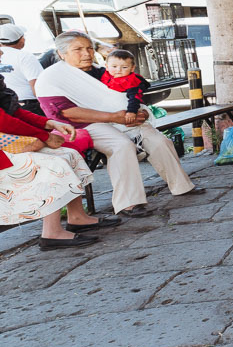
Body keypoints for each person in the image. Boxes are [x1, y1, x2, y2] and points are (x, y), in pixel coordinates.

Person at [35, 31, 199, 216]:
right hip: (82, 126)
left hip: (120, 118)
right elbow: (66, 112)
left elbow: (128, 94)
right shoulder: (51, 77)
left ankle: (182, 186)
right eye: (78, 49)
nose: (87, 53)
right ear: (61, 53)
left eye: (89, 48)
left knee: (159, 141)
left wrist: (141, 112)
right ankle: (129, 204)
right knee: (121, 145)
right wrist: (113, 117)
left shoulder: (102, 71)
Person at [0, 74, 116, 249]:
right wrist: (44, 136)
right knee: (54, 165)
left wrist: (50, 124)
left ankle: (77, 217)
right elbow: (3, 120)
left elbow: (14, 111)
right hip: (4, 153)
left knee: (69, 154)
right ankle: (51, 233)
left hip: (7, 146)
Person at [0, 23, 47, 115]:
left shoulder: (3, 55)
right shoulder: (24, 56)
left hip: (5, 107)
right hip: (28, 107)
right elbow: (37, 86)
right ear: (21, 39)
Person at [99, 49, 150, 114]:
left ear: (132, 68)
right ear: (107, 67)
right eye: (114, 66)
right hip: (106, 107)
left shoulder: (132, 81)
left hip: (127, 108)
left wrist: (131, 111)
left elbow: (135, 98)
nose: (118, 70)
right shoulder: (103, 74)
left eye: (124, 67)